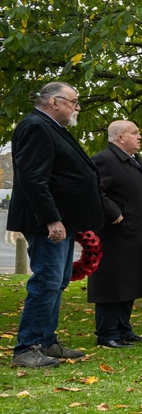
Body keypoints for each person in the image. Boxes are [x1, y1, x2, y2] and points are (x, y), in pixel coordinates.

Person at [9, 82, 103, 368]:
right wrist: (51, 218)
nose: (77, 107)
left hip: (63, 219)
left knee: (57, 282)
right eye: (73, 101)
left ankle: (47, 341)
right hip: (47, 222)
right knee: (46, 282)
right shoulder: (35, 126)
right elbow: (33, 179)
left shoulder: (52, 127)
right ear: (54, 102)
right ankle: (27, 347)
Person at [89, 121, 142, 347]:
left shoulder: (135, 159)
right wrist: (113, 212)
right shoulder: (105, 159)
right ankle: (107, 333)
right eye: (134, 133)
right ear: (120, 137)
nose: (139, 136)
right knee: (113, 284)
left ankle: (123, 329)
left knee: (129, 283)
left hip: (138, 232)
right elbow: (95, 190)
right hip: (116, 233)